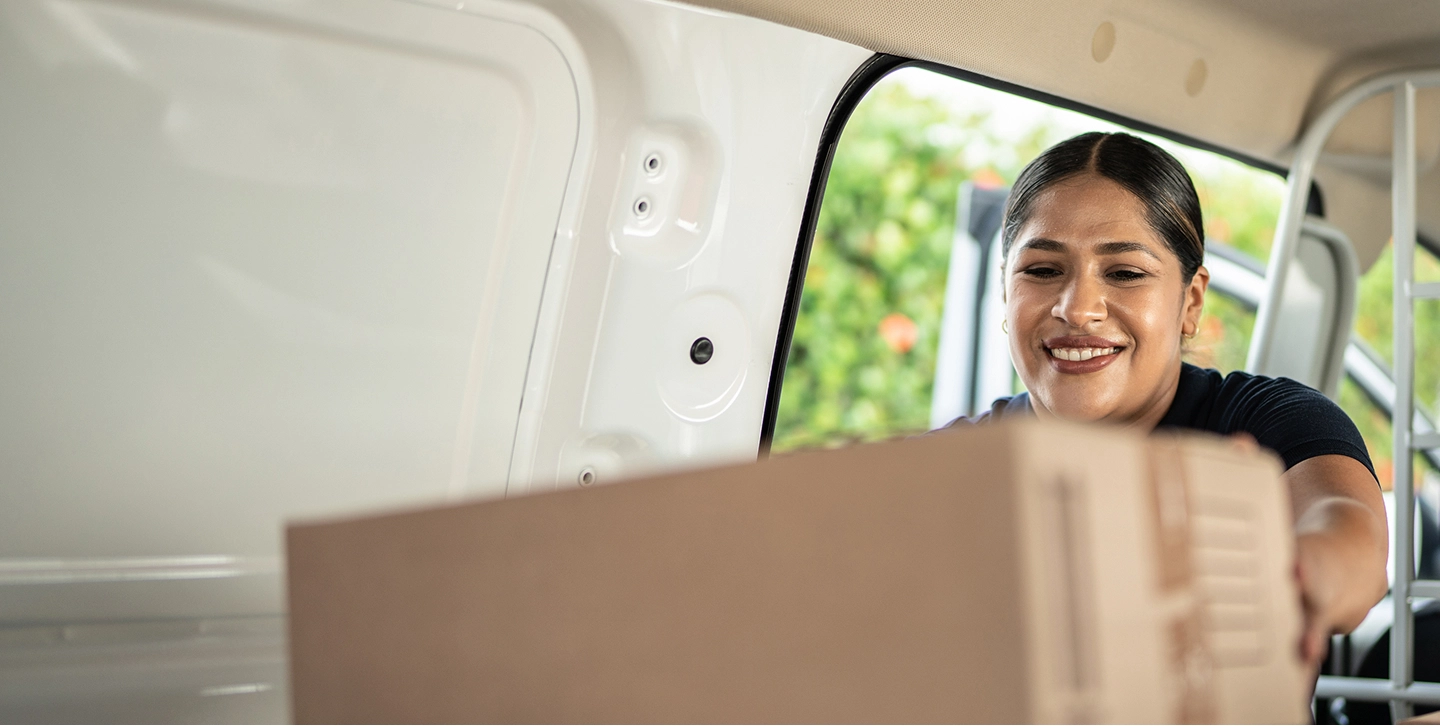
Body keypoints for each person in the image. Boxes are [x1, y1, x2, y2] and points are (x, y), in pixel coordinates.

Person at [946, 131, 1388, 673]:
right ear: (1006, 291)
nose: (1077, 308)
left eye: (1125, 274)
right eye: (1041, 271)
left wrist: (1297, 573)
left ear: (1191, 301)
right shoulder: (950, 464)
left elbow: (1348, 534)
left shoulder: (1268, 420)